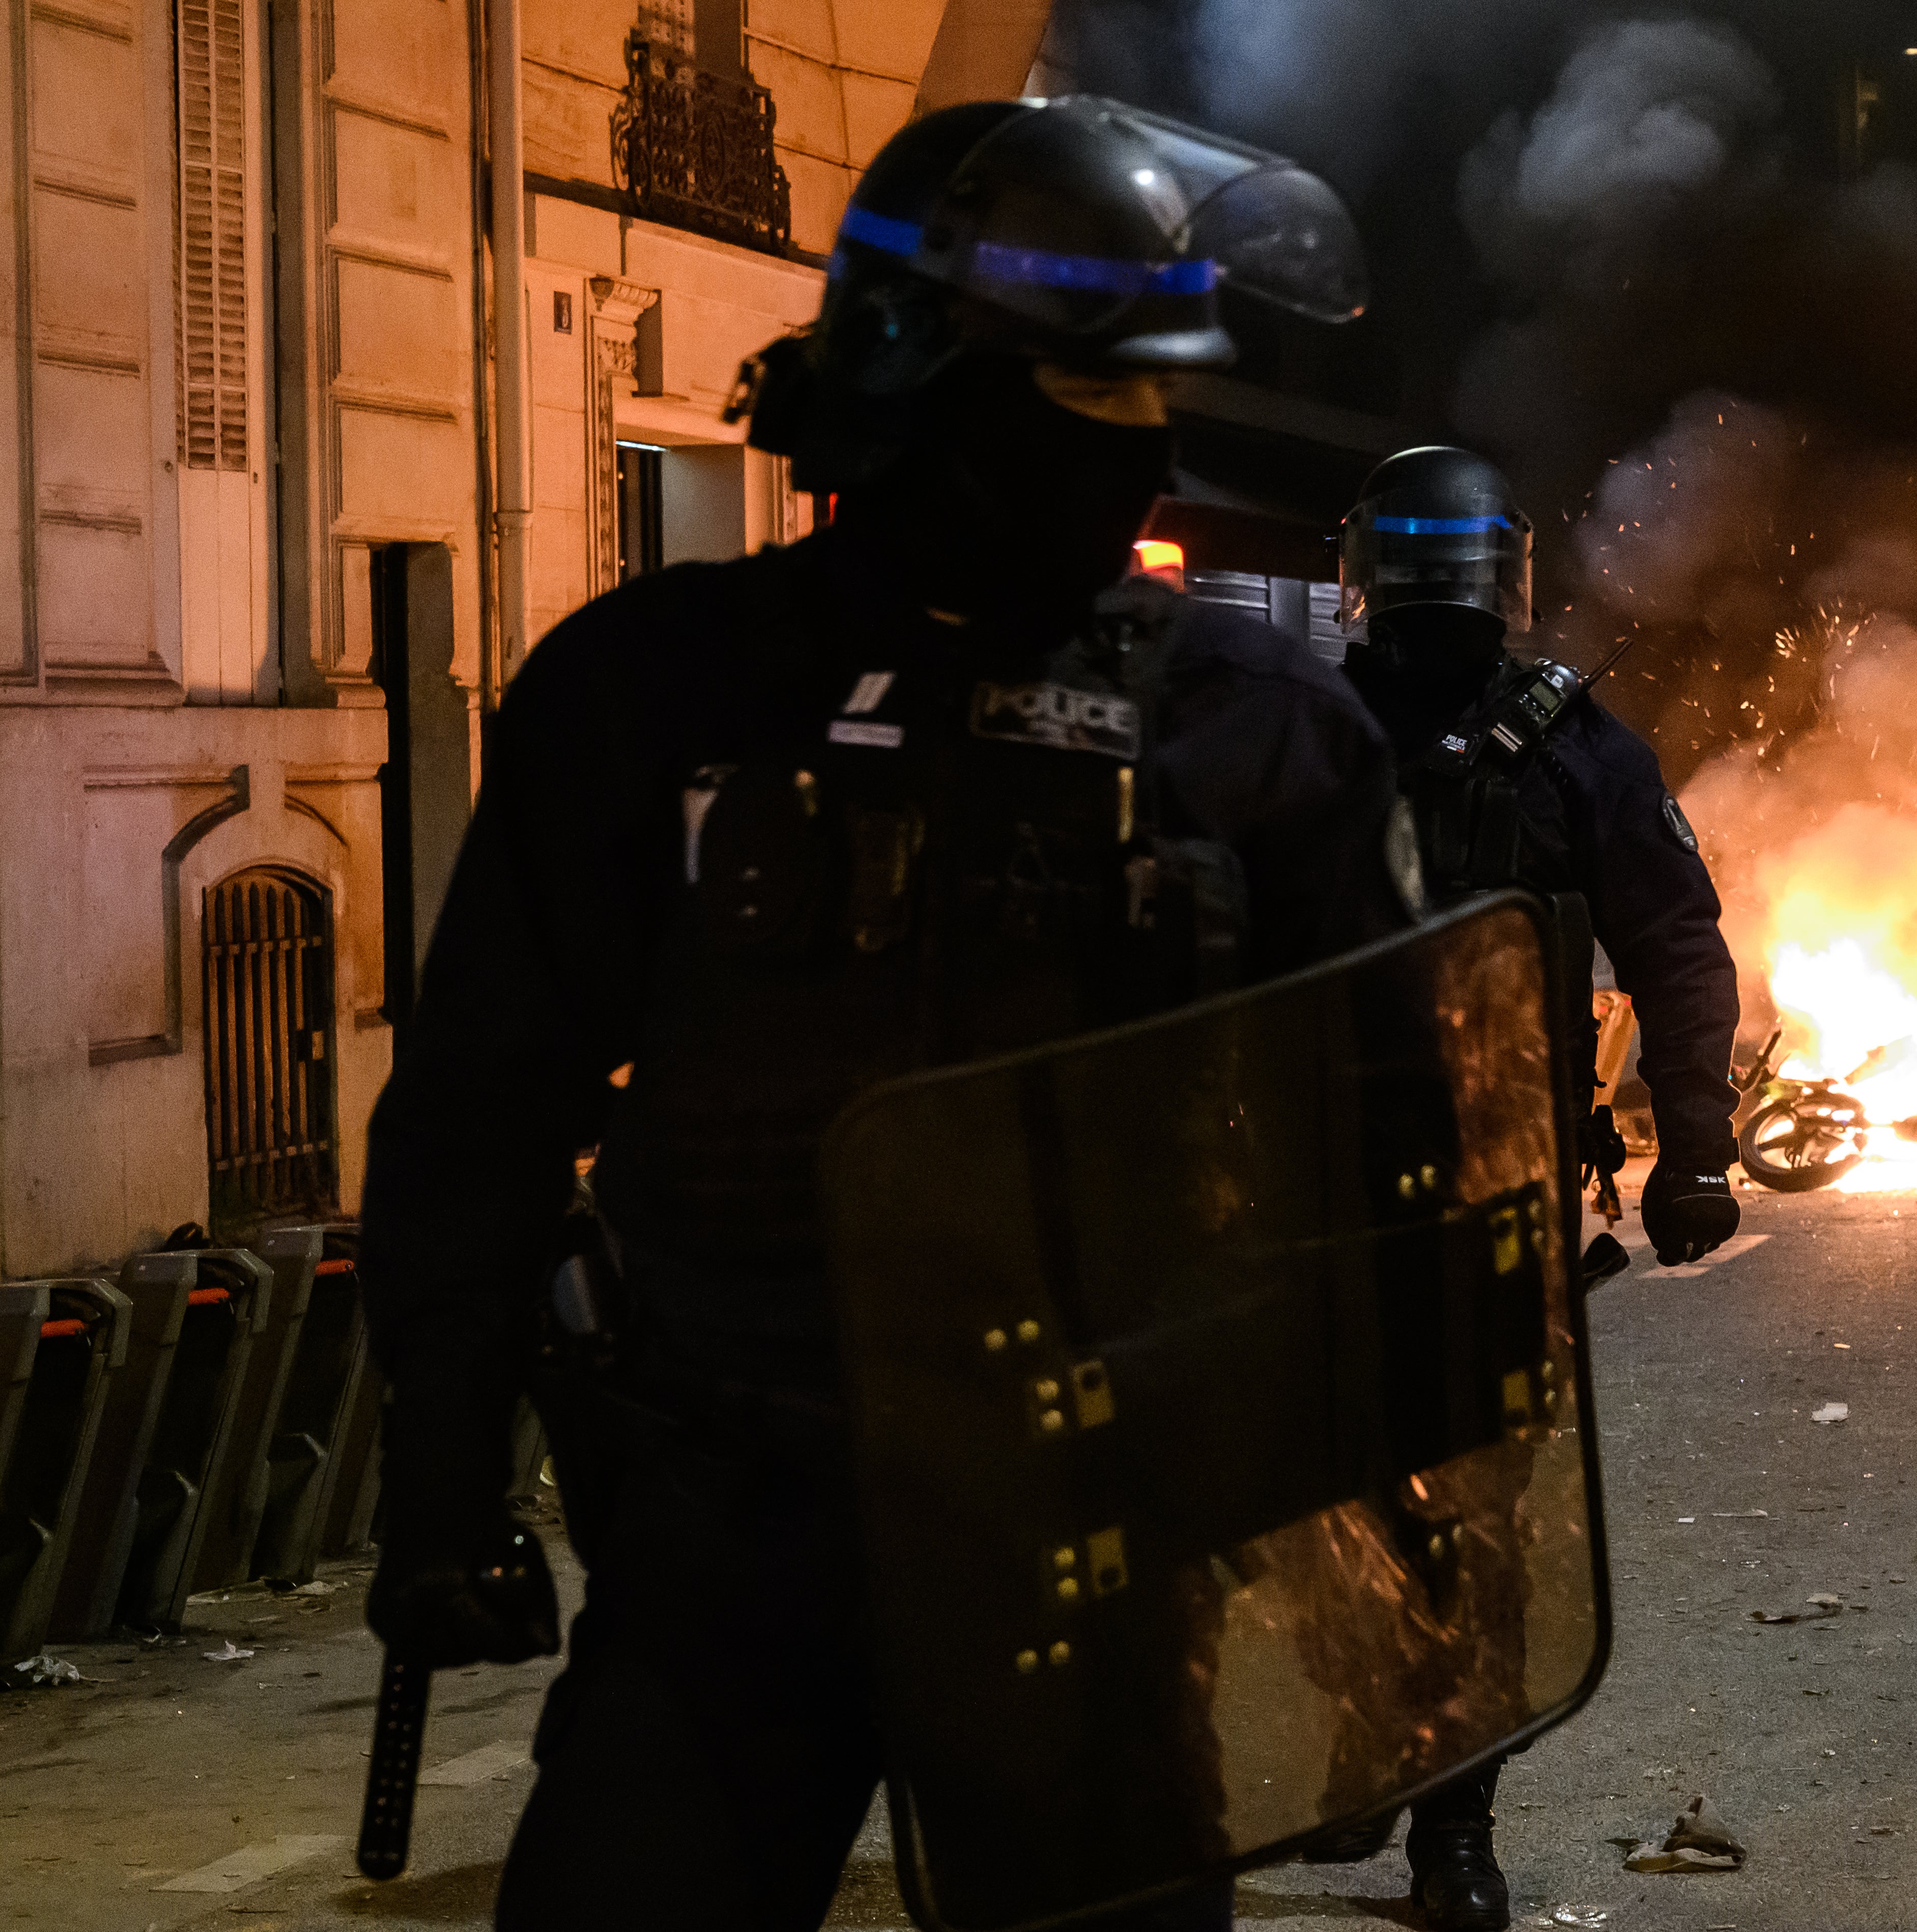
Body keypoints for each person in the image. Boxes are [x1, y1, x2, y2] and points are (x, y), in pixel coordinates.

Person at [355, 97, 1406, 1932]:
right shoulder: (656, 688)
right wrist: (439, 1483)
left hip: (1098, 1528)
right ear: (926, 380)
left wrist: (1389, 1551)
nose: (1133, 459)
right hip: (724, 1521)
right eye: (1087, 405)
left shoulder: (1259, 730)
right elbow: (480, 1110)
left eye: (1151, 409)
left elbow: (1393, 1148)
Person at [1305, 445, 1742, 1931]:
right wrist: (1692, 1153)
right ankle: (1427, 1806)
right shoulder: (1577, 747)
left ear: (1363, 568)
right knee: (1446, 1500)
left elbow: (1676, 947)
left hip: (1351, 1185)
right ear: (1509, 576)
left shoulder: (1300, 727)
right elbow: (1683, 952)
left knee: (1368, 1488)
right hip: (1434, 1186)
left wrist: (1698, 1146)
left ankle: (1432, 1802)